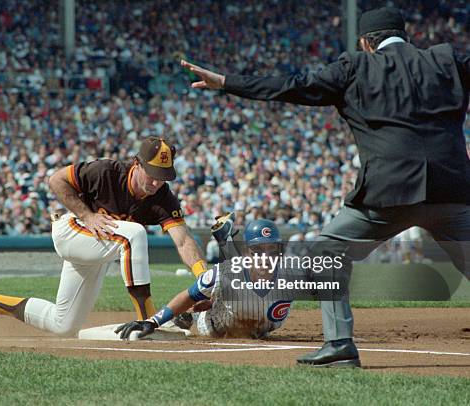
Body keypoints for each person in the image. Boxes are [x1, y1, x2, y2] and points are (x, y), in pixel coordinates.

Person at [181, 6, 469, 367]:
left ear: (366, 43)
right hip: (453, 189)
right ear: (407, 37)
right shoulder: (446, 59)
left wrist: (226, 82)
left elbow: (292, 86)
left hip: (387, 193)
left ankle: (340, 345)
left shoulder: (356, 67)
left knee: (326, 253)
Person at [0, 137, 208, 337]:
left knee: (63, 325)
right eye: (152, 173)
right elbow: (56, 179)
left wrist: (205, 280)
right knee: (134, 233)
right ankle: (147, 320)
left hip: (98, 244)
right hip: (71, 230)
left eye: (163, 175)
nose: (157, 182)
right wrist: (86, 214)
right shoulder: (106, 172)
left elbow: (184, 240)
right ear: (137, 163)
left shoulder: (162, 197)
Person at [116, 218, 295, 340]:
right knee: (217, 281)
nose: (266, 256)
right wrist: (152, 321)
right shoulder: (222, 274)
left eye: (272, 249)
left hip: (261, 328)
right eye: (258, 249)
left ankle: (225, 241)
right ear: (247, 251)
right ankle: (191, 314)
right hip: (217, 325)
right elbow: (189, 295)